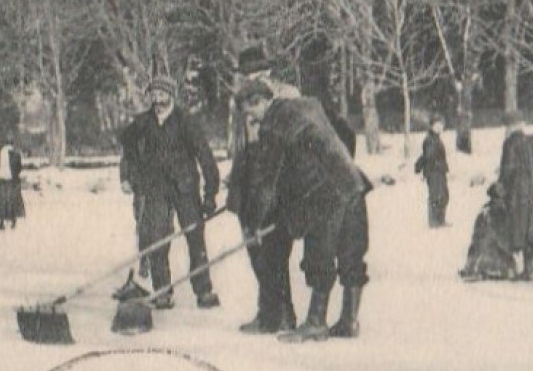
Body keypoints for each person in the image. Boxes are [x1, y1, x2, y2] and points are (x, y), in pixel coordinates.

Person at [235, 77, 372, 341]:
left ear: (260, 102)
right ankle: (349, 321)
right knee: (350, 254)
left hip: (323, 195)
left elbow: (267, 181)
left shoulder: (274, 125)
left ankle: (316, 323)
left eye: (251, 114)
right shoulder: (309, 106)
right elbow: (345, 134)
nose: (252, 121)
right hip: (352, 183)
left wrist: (256, 223)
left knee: (318, 256)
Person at [119, 77, 222, 310]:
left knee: (195, 239)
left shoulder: (186, 122)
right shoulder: (142, 123)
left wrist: (210, 194)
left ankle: (204, 291)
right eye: (153, 95)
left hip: (185, 189)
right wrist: (127, 177)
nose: (157, 100)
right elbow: (127, 151)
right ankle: (162, 291)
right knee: (157, 240)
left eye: (162, 95)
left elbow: (205, 157)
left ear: (171, 96)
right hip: (155, 189)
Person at [228, 45, 303, 333]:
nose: (250, 78)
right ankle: (268, 312)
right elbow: (242, 144)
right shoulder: (242, 101)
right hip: (249, 183)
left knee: (274, 250)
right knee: (255, 252)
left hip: (276, 182)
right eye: (246, 74)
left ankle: (281, 314)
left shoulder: (287, 97)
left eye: (255, 72)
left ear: (267, 71)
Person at [499, 110, 533, 280]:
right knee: (532, 225)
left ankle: (528, 270)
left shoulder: (510, 144)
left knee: (521, 227)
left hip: (519, 191)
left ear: (510, 127)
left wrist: (500, 187)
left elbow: (508, 169)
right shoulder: (531, 143)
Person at [459, 182, 516, 281]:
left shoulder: (485, 211)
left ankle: (474, 268)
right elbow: (502, 240)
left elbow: (475, 241)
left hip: (482, 257)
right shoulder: (498, 213)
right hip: (495, 258)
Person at [415, 116, 450, 228]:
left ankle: (440, 220)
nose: (439, 127)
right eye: (437, 125)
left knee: (443, 195)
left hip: (439, 170)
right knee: (436, 195)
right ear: (432, 126)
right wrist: (423, 169)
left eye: (441, 125)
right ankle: (434, 222)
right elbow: (428, 156)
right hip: (434, 171)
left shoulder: (435, 138)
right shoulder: (430, 139)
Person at [0, 138, 25, 231]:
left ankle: (0, 222)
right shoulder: (16, 154)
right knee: (12, 200)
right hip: (12, 180)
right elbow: (19, 167)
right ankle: (13, 221)